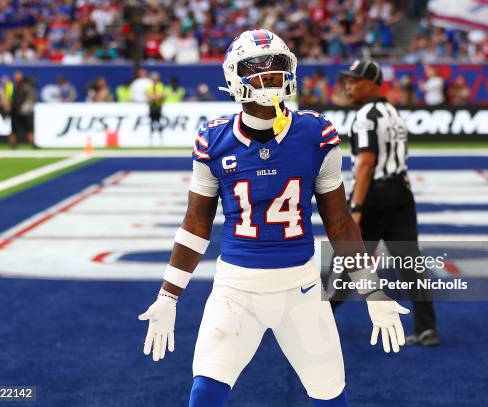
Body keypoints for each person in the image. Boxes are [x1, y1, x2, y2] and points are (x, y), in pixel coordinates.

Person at [138, 29, 410, 407]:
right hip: (236, 290)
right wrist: (169, 294)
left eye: (277, 67)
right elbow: (197, 225)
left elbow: (339, 222)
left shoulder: (316, 133)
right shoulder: (214, 139)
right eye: (258, 69)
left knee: (331, 395)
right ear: (235, 76)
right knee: (204, 396)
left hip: (301, 290)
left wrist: (371, 288)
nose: (271, 78)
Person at [328, 59, 439, 347]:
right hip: (401, 192)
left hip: (374, 195)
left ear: (374, 83)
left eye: (355, 80)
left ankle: (319, 320)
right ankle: (427, 328)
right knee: (411, 262)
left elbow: (365, 163)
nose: (349, 85)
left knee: (349, 261)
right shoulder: (392, 111)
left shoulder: (366, 115)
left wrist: (356, 208)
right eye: (347, 80)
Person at [8, 71, 36, 149]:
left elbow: (31, 96)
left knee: (28, 127)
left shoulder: (25, 85)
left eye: (19, 76)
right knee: (13, 128)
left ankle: (33, 143)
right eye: (16, 76)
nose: (17, 77)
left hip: (24, 111)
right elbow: (8, 97)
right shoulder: (10, 85)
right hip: (14, 110)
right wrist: (8, 105)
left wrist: (28, 103)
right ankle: (12, 145)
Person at [146, 71, 166, 145]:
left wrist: (154, 97)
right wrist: (155, 96)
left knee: (159, 122)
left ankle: (160, 138)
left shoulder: (160, 85)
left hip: (158, 106)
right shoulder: (149, 86)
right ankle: (151, 138)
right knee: (151, 122)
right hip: (152, 106)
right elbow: (148, 96)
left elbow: (162, 95)